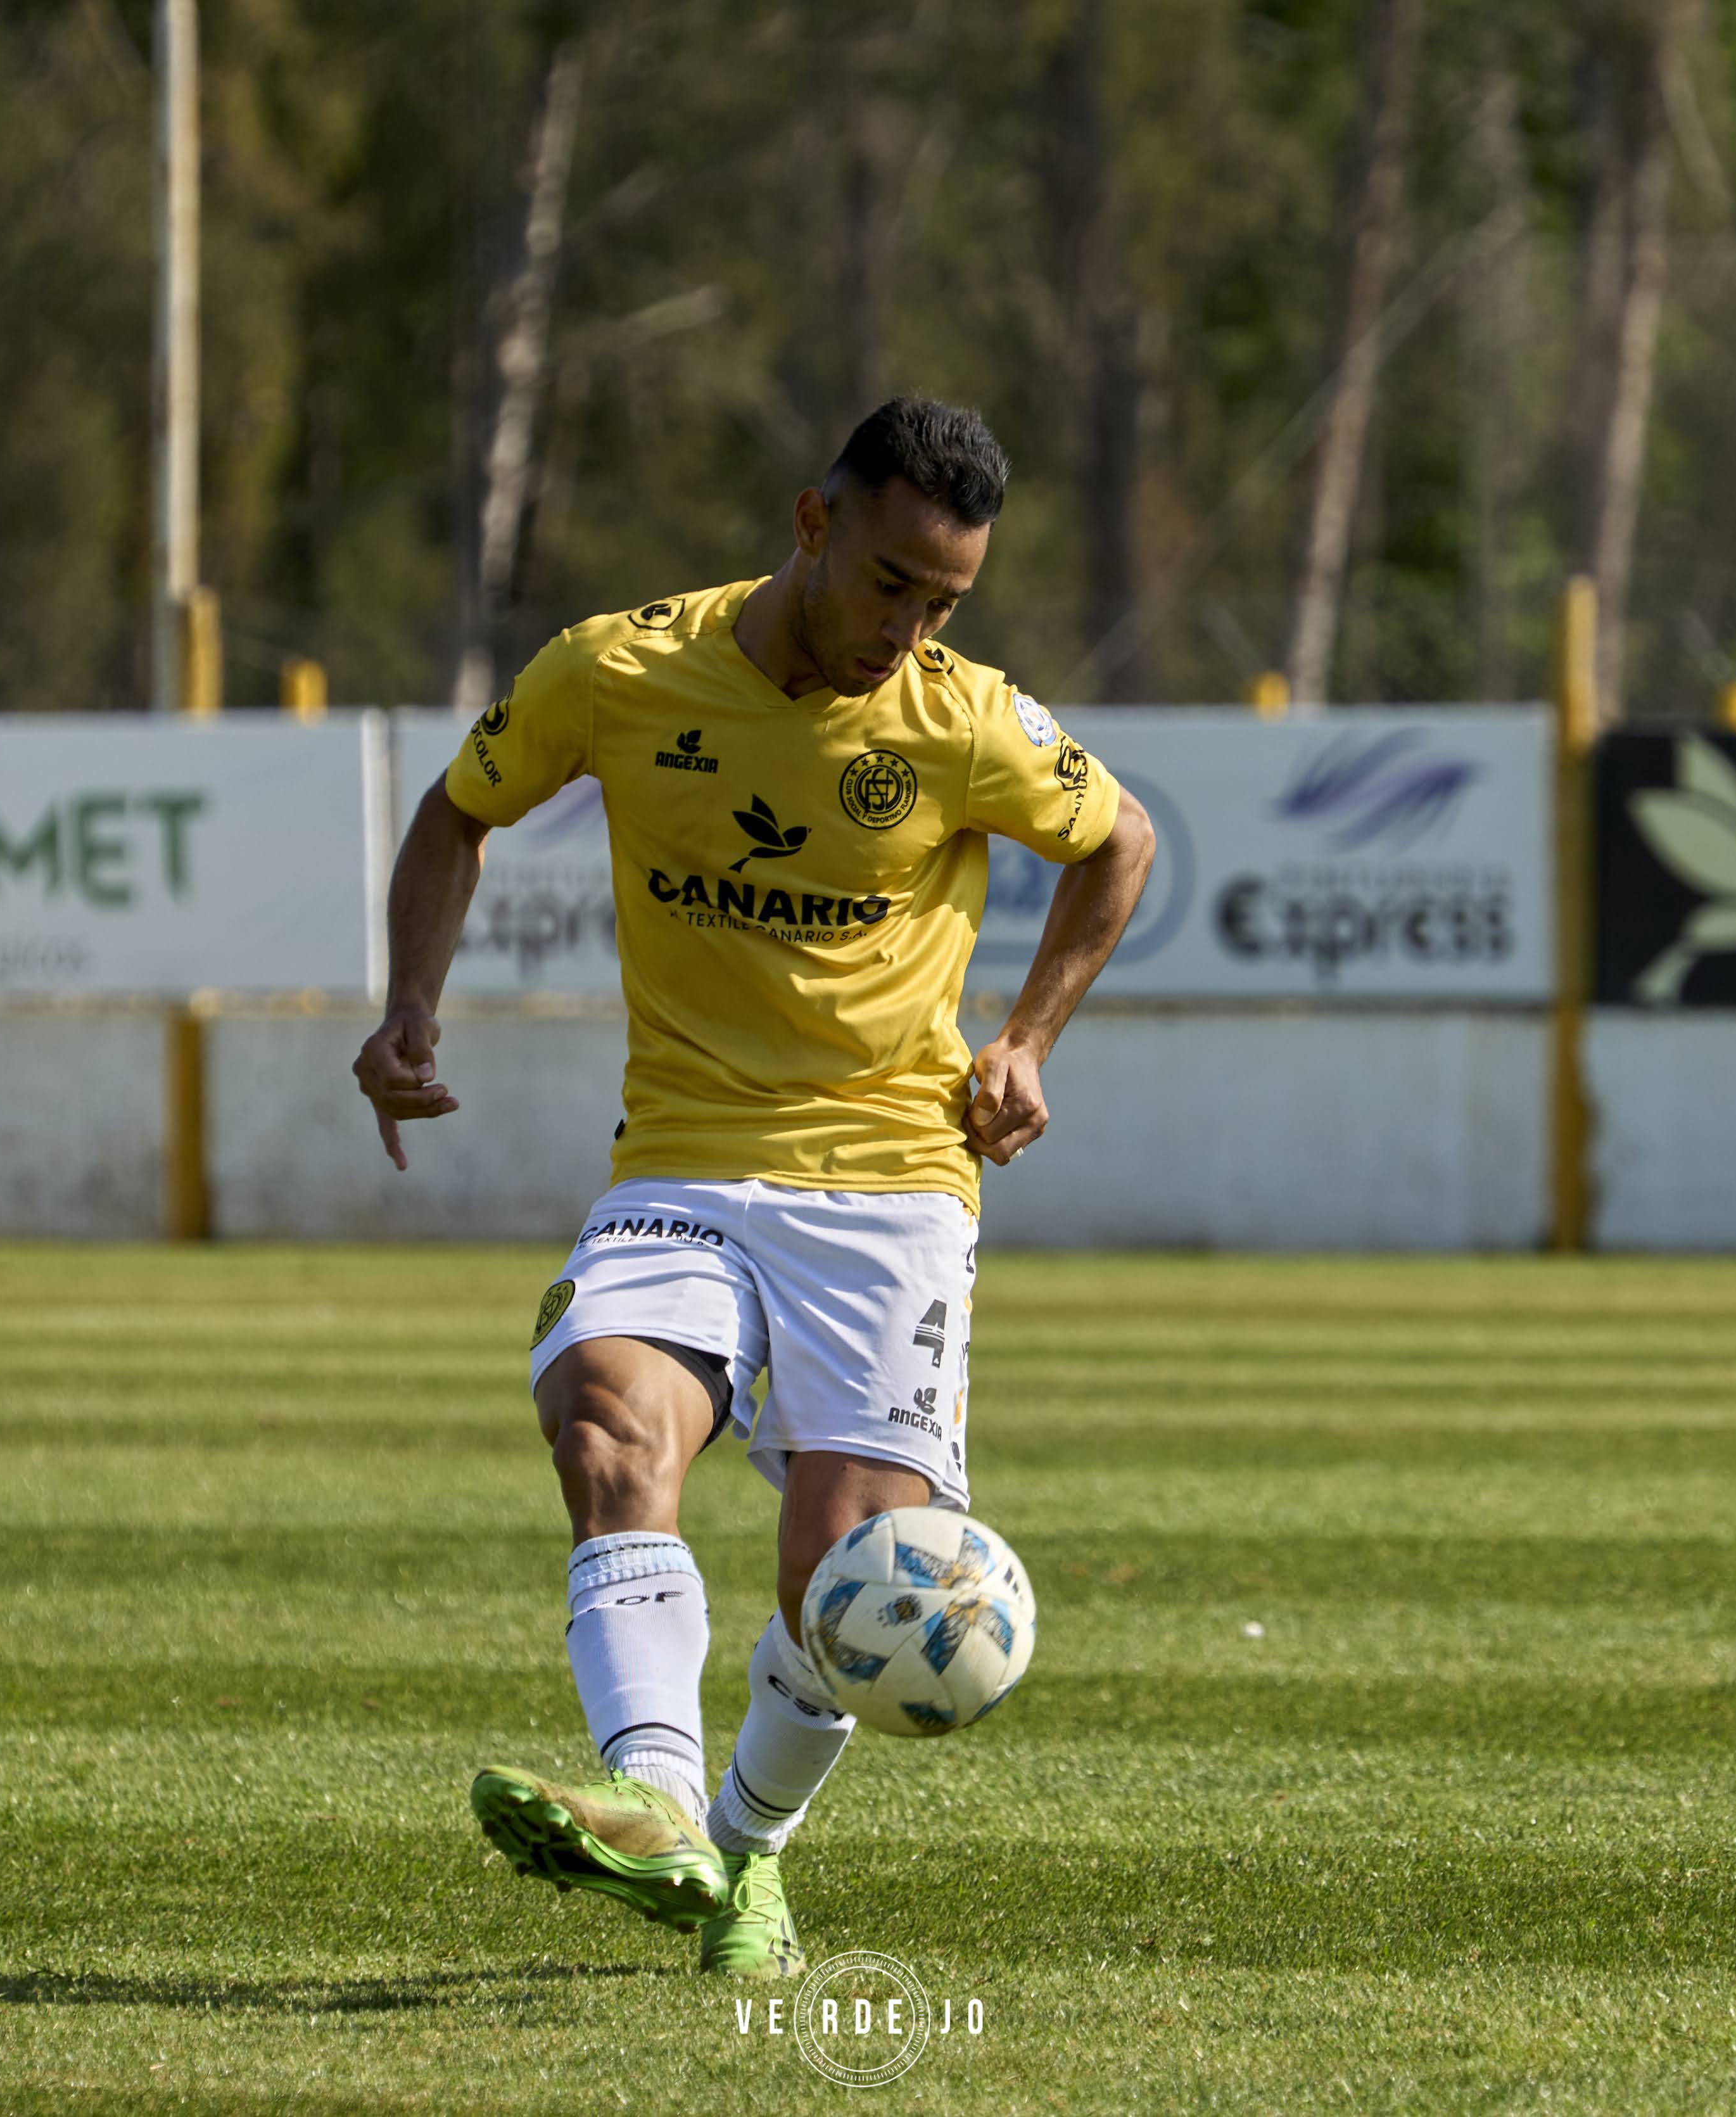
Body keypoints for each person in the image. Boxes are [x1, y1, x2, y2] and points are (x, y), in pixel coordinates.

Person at [354, 397, 1155, 1978]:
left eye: (943, 603)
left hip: (894, 1182)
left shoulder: (961, 718)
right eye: (888, 583)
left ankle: (741, 1855)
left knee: (840, 1588)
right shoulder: (620, 669)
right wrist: (407, 1008)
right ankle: (649, 1802)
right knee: (603, 1416)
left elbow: (1115, 838)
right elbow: (460, 810)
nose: (906, 628)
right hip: (686, 1155)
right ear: (811, 524)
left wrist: (1027, 1037)